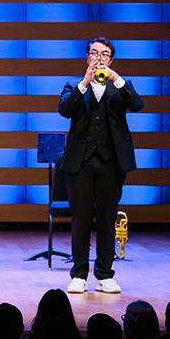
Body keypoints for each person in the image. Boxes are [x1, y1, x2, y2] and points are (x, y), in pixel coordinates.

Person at [59, 37, 143, 294]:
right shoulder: (73, 85)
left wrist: (117, 78)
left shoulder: (120, 87)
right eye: (94, 53)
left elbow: (138, 105)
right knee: (80, 219)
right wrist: (85, 82)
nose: (98, 58)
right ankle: (79, 274)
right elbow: (65, 109)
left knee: (107, 219)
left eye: (104, 54)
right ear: (87, 58)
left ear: (111, 59)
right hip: (81, 162)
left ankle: (105, 274)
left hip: (111, 162)